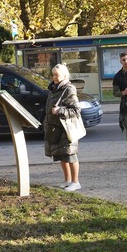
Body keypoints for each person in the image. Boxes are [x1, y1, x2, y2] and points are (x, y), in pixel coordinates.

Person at [44, 63, 82, 191]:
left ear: (65, 75)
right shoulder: (52, 89)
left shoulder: (69, 89)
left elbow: (76, 110)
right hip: (55, 128)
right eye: (53, 74)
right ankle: (67, 180)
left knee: (70, 155)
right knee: (60, 155)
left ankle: (76, 182)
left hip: (67, 129)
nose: (54, 77)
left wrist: (59, 111)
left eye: (57, 75)